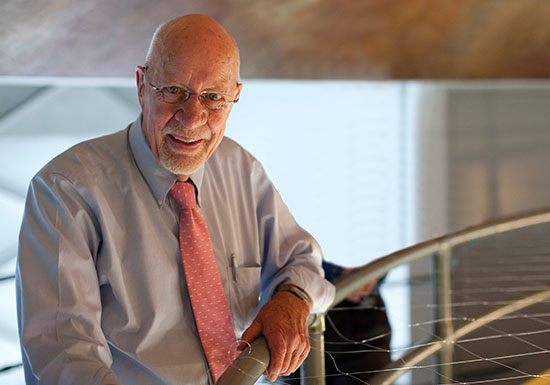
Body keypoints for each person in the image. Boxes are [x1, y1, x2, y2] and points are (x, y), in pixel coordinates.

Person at [16, 14, 335, 385]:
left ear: (234, 98)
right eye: (173, 91)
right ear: (140, 85)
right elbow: (63, 360)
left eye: (213, 97)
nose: (192, 117)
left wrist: (291, 298)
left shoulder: (241, 170)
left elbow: (302, 260)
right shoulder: (65, 191)